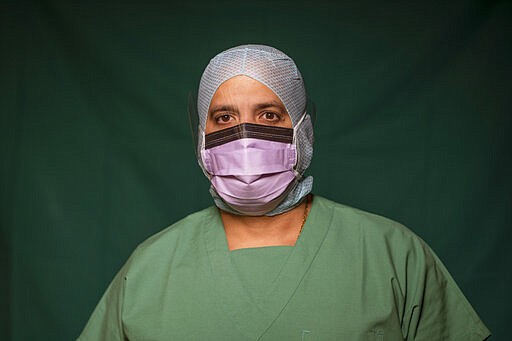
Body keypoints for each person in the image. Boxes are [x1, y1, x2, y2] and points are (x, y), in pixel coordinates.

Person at [78, 44, 491, 340]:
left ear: (302, 134)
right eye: (224, 117)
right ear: (202, 141)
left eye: (269, 114)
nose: (244, 137)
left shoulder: (393, 255)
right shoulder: (150, 269)